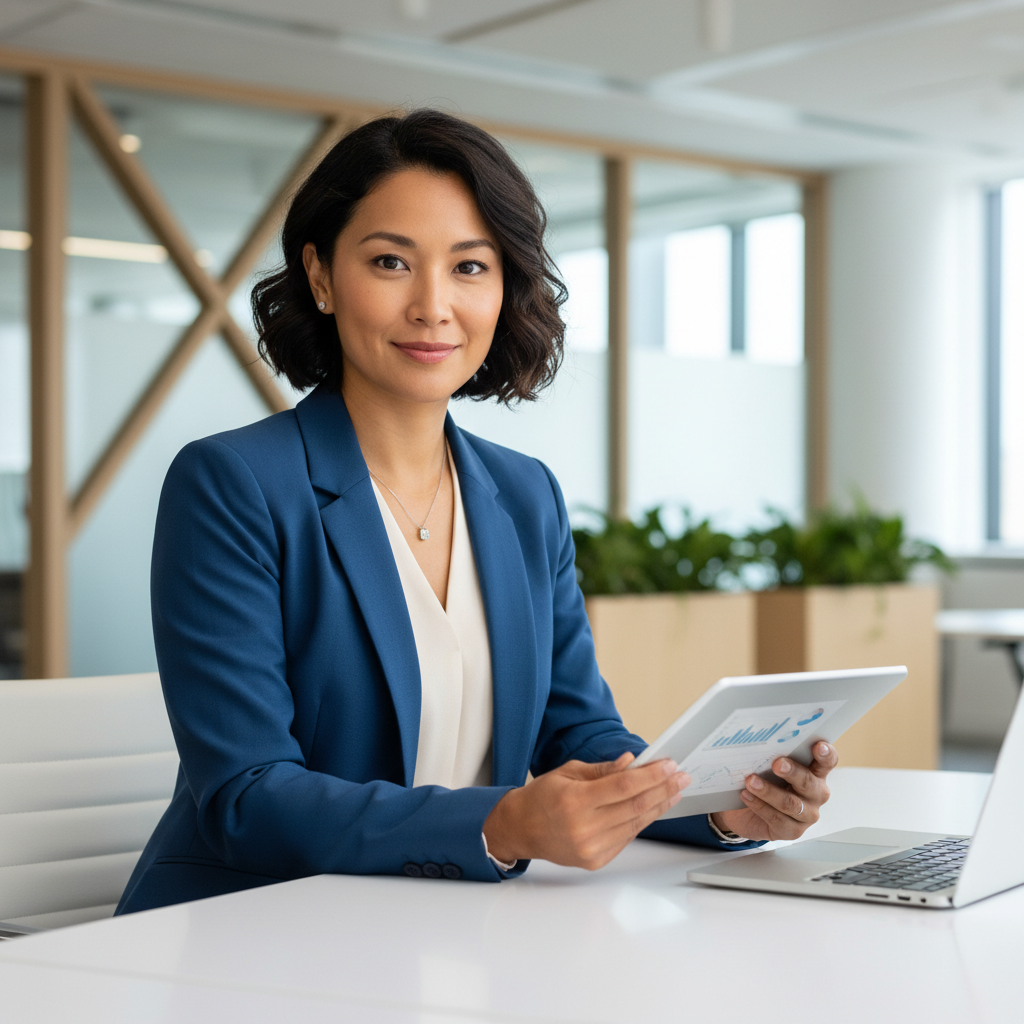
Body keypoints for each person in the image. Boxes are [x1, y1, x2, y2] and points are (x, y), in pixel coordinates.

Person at [116, 110, 836, 914]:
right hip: (250, 924)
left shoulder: (525, 494)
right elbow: (245, 798)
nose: (433, 307)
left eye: (469, 267)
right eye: (391, 262)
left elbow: (583, 736)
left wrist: (717, 807)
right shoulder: (233, 483)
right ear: (320, 277)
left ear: (504, 287)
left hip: (450, 926)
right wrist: (500, 823)